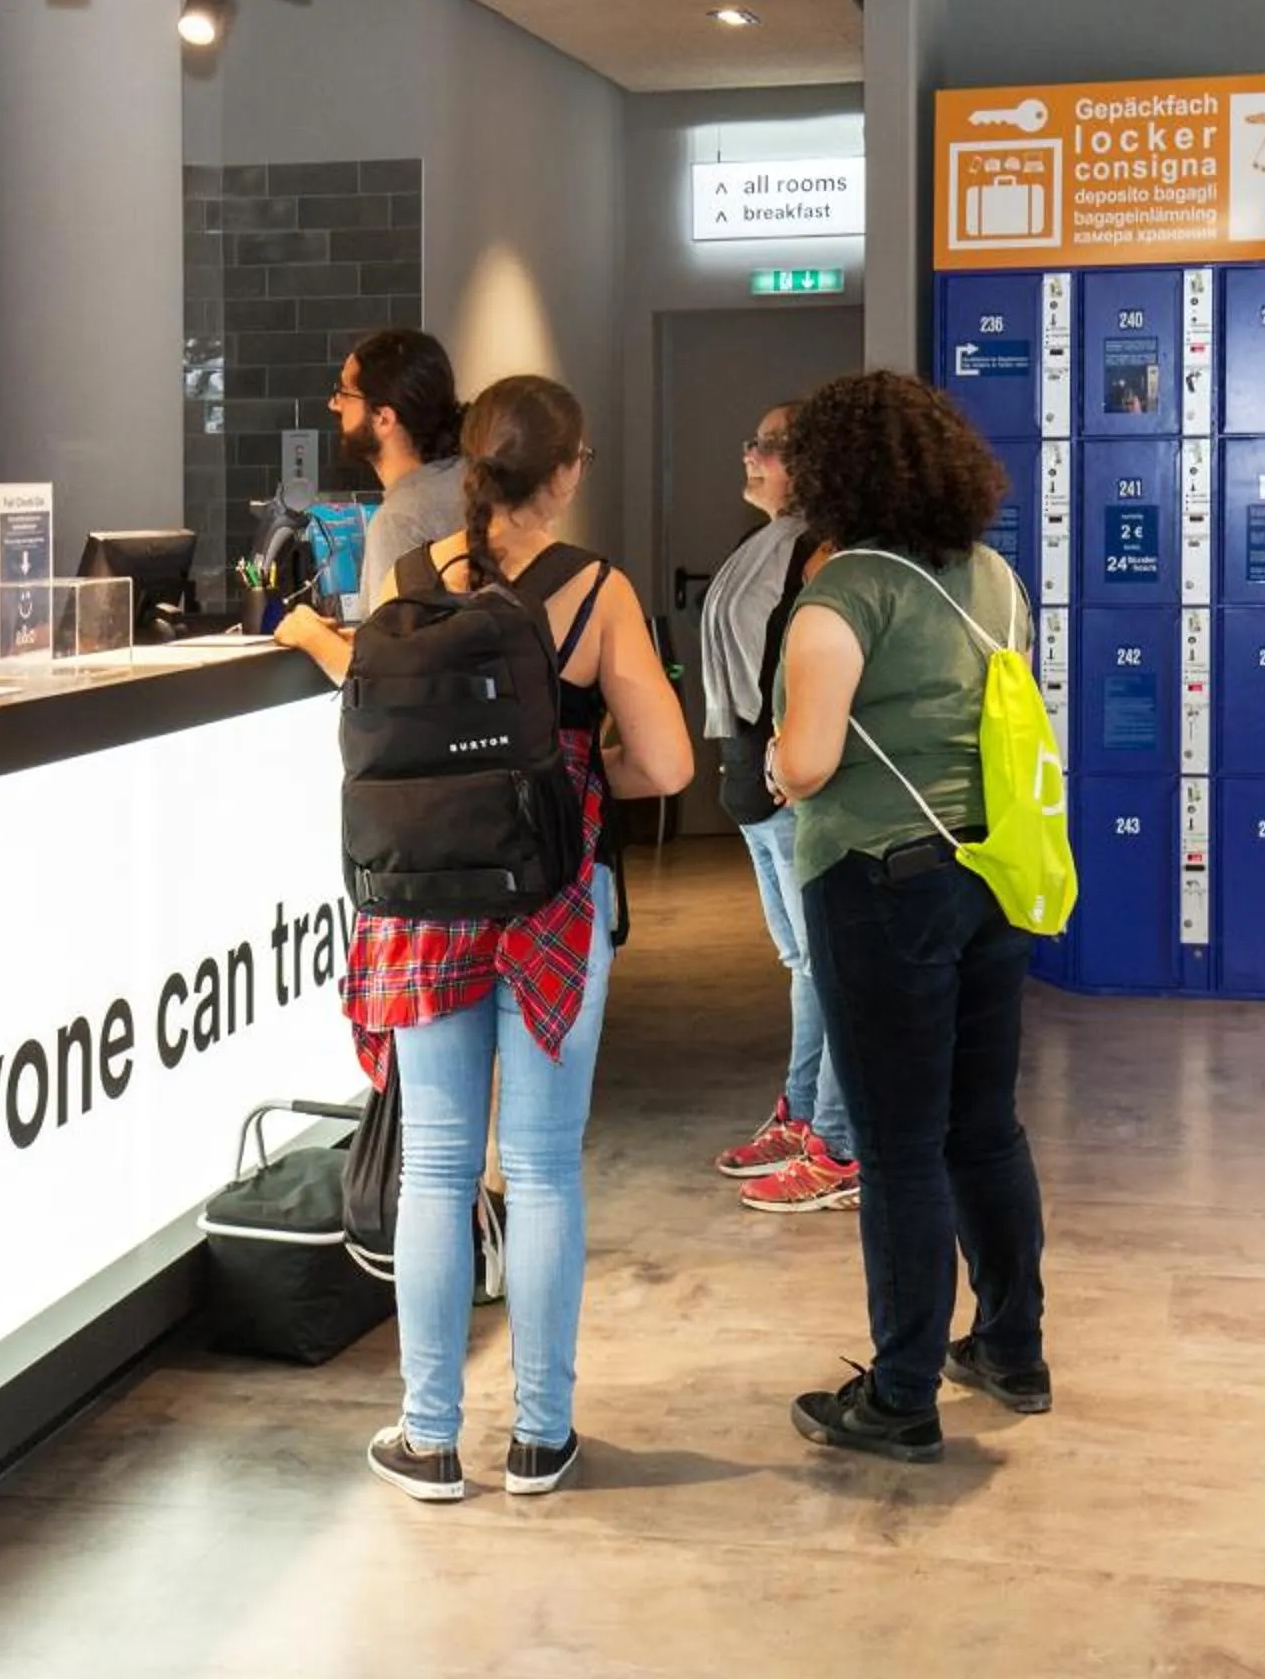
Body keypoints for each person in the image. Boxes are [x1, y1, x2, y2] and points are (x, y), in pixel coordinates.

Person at [342, 374, 693, 1502]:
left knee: (437, 1168)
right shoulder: (597, 594)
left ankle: (429, 1434)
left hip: (427, 903)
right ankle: (541, 1433)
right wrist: (589, 784)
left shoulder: (400, 581)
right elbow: (672, 764)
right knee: (542, 1166)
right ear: (570, 468)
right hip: (550, 906)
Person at [766, 372, 1050, 1464]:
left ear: (835, 473)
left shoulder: (841, 594)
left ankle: (900, 1392)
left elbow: (809, 757)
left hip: (878, 881)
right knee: (983, 1122)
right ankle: (1013, 1346)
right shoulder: (992, 575)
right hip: (987, 875)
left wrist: (782, 768)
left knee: (895, 1146)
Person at [701, 403, 859, 1212]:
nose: (750, 455)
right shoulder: (761, 545)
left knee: (829, 970)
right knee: (805, 967)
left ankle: (838, 1143)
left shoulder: (816, 551)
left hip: (787, 789)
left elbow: (799, 678)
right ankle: (803, 1115)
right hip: (754, 792)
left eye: (768, 446)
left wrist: (783, 765)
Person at [274, 328, 465, 682]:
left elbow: (381, 680)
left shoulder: (401, 520)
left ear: (384, 418)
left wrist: (308, 633)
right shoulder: (471, 482)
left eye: (344, 393)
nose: (334, 404)